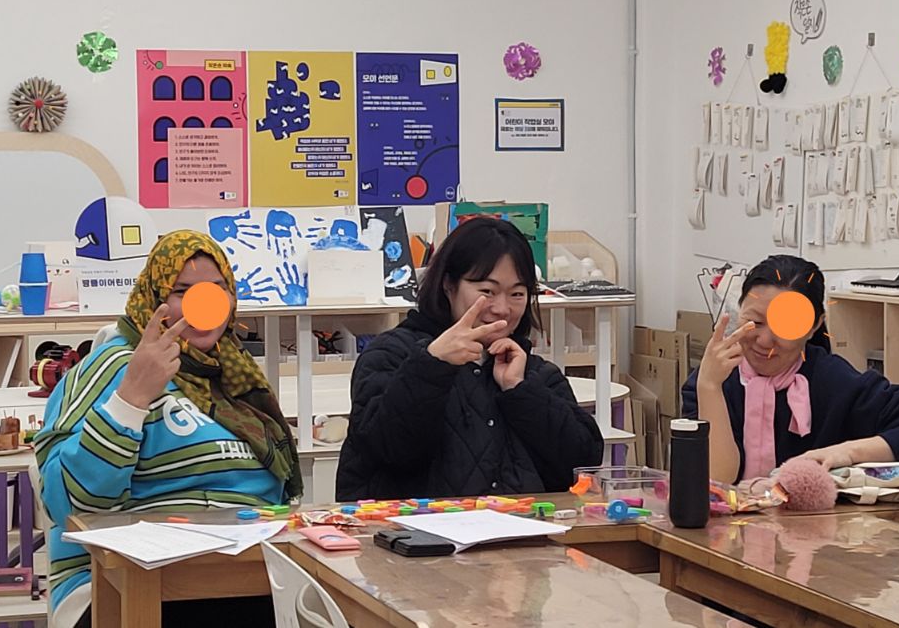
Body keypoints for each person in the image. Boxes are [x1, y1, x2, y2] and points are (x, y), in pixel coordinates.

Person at [35, 230, 301, 628]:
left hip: (244, 574)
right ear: (154, 296)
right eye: (182, 291)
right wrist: (131, 398)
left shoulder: (238, 376)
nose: (203, 303)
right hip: (121, 582)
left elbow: (275, 497)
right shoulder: (113, 365)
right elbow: (67, 504)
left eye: (217, 289)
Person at [336, 217, 603, 500]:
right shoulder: (392, 354)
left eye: (517, 293)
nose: (502, 308)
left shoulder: (534, 371)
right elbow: (387, 450)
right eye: (487, 291)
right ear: (448, 285)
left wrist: (520, 390)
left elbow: (582, 464)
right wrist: (433, 364)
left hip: (521, 526)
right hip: (413, 526)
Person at [682, 254, 899, 483]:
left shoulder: (834, 380)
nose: (764, 341)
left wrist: (847, 452)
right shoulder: (714, 379)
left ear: (814, 326)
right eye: (755, 321)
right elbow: (716, 480)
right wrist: (709, 387)